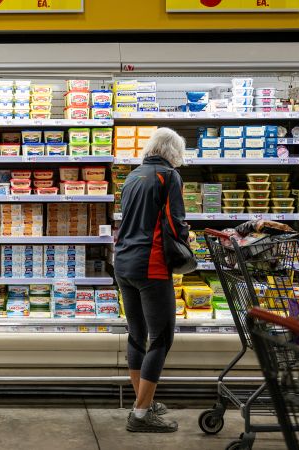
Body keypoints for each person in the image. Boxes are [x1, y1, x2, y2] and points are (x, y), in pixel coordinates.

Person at [114, 127, 189, 433]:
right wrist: (186, 242)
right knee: (161, 337)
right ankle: (142, 414)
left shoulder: (133, 176)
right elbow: (175, 220)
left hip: (123, 262)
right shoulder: (168, 176)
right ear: (173, 152)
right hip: (151, 264)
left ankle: (141, 401)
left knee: (137, 334)